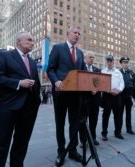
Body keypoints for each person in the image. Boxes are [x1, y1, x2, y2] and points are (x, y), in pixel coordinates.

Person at [0, 31, 41, 167]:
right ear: (18, 41)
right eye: (29, 40)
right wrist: (18, 83)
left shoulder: (32, 62)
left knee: (22, 142)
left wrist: (37, 100)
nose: (32, 43)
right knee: (0, 142)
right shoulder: (4, 56)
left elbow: (36, 82)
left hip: (29, 108)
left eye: (33, 41)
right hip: (9, 106)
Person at [47, 26, 85, 166]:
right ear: (68, 34)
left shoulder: (80, 53)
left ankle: (73, 150)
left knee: (74, 123)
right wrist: (56, 81)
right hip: (61, 92)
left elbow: (83, 73)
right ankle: (61, 151)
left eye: (78, 33)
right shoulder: (58, 48)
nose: (77, 35)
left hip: (76, 95)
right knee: (60, 123)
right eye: (74, 32)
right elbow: (50, 69)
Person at [101, 55, 125, 141]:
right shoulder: (103, 71)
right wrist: (108, 90)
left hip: (117, 96)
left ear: (113, 62)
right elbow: (101, 84)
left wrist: (119, 90)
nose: (109, 63)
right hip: (107, 96)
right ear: (106, 62)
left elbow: (122, 83)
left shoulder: (118, 72)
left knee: (118, 115)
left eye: (111, 61)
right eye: (108, 61)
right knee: (106, 115)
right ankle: (104, 133)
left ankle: (117, 132)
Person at [83, 51, 101, 145]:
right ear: (85, 58)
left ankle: (92, 138)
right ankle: (83, 140)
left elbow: (100, 83)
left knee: (94, 119)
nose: (92, 59)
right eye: (90, 57)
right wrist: (89, 89)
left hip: (95, 99)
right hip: (84, 99)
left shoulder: (97, 70)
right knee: (83, 120)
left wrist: (96, 89)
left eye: (93, 57)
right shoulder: (81, 68)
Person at [119, 56, 135, 135]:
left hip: (128, 96)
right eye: (124, 62)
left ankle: (129, 128)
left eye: (127, 62)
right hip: (120, 96)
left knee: (128, 114)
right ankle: (118, 130)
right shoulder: (118, 72)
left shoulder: (131, 73)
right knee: (119, 114)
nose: (126, 64)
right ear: (121, 64)